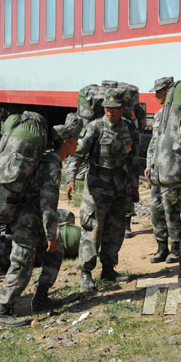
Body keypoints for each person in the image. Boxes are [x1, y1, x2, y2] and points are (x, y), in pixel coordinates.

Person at [0, 124, 78, 327]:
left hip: (34, 220)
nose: (78, 144)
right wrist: (50, 235)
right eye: (75, 140)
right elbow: (48, 205)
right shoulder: (51, 167)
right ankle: (2, 312)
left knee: (55, 254)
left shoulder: (50, 160)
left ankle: (41, 298)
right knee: (22, 264)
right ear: (66, 142)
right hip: (28, 221)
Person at [67, 88, 141, 293]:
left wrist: (134, 186)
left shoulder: (129, 128)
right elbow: (77, 154)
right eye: (107, 108)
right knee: (92, 230)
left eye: (115, 108)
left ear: (123, 108)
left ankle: (109, 269)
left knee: (115, 230)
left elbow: (134, 159)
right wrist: (71, 178)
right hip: (97, 187)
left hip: (120, 186)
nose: (110, 111)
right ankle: (85, 273)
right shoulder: (94, 127)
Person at [144, 76, 181, 264]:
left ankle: (176, 247)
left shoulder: (179, 114)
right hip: (156, 170)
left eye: (159, 92)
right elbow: (154, 142)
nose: (156, 95)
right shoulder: (159, 115)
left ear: (168, 91)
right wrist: (149, 163)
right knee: (156, 208)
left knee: (171, 209)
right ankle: (161, 247)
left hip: (170, 170)